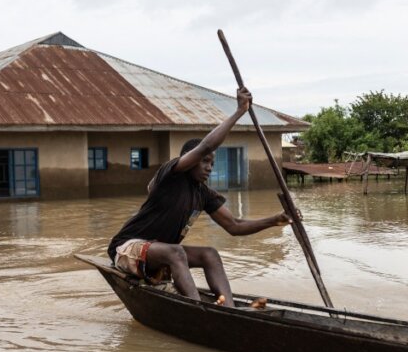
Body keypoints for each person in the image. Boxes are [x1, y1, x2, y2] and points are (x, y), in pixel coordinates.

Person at [107, 86, 292, 307]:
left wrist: (275, 220)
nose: (209, 167)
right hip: (127, 248)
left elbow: (234, 226)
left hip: (160, 253)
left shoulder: (203, 194)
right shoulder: (172, 175)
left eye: (212, 163)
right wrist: (240, 111)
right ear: (190, 160)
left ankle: (230, 309)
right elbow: (207, 145)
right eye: (205, 161)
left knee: (209, 254)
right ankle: (197, 309)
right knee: (176, 253)